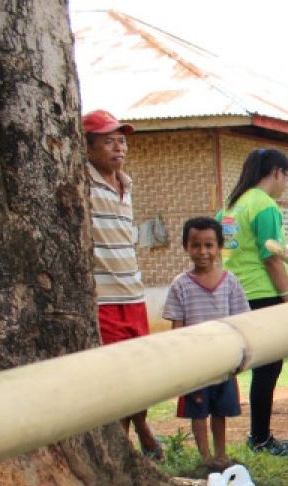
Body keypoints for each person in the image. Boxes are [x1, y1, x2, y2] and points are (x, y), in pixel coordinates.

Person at [83, 109, 163, 461]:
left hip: (133, 292)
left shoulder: (125, 185)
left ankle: (142, 427)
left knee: (142, 373)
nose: (118, 148)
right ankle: (124, 446)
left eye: (121, 141)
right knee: (118, 377)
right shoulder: (82, 181)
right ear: (87, 147)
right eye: (108, 141)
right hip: (104, 295)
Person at [218, 147, 288, 457]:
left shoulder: (231, 206)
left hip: (234, 293)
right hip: (262, 294)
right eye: (287, 178)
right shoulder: (265, 206)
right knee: (268, 367)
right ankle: (260, 438)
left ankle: (252, 436)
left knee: (250, 365)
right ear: (277, 172)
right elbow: (272, 259)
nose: (285, 184)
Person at [162, 218, 249, 469]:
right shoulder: (180, 285)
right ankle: (205, 458)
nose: (203, 252)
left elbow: (241, 323)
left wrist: (239, 356)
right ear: (185, 247)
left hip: (224, 361)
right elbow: (176, 329)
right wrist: (179, 359)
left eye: (209, 245)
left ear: (219, 247)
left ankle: (221, 455)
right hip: (195, 363)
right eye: (196, 245)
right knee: (198, 411)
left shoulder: (230, 282)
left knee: (221, 410)